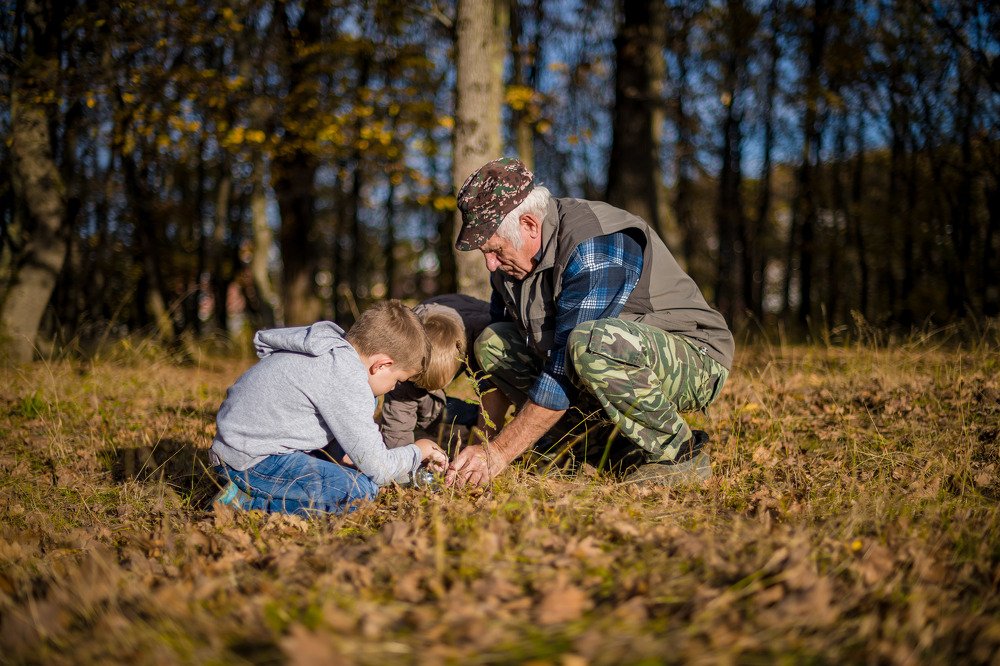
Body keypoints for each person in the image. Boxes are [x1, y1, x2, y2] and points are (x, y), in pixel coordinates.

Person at [446, 157, 734, 487]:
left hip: (694, 359)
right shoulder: (509, 270)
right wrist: (483, 442)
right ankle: (589, 445)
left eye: (494, 249)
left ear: (529, 225)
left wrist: (499, 453)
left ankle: (677, 455)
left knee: (589, 344)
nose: (490, 264)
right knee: (493, 341)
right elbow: (495, 370)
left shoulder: (592, 245)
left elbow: (562, 374)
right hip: (597, 360)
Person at [210, 299, 448, 515]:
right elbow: (380, 470)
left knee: (369, 409)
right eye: (398, 381)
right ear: (382, 365)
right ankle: (243, 503)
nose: (394, 388)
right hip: (251, 461)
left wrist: (345, 455)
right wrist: (419, 451)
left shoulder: (332, 352)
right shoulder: (345, 378)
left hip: (242, 446)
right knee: (359, 490)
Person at [379, 294, 491, 452]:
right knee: (414, 402)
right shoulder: (406, 356)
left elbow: (493, 393)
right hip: (421, 346)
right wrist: (401, 463)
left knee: (493, 390)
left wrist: (484, 445)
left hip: (472, 327)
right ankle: (463, 415)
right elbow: (397, 421)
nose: (422, 388)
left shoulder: (484, 333)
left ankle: (474, 416)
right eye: (417, 381)